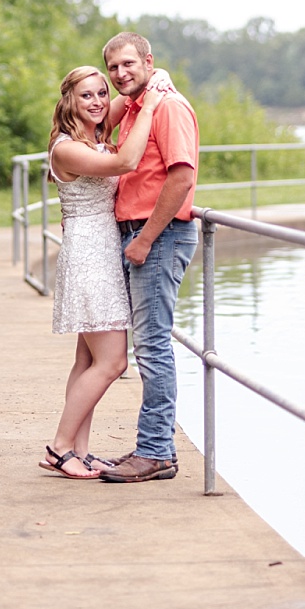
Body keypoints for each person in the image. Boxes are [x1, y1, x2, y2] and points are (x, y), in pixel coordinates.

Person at [39, 65, 171, 480]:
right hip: (90, 256)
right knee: (112, 362)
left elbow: (129, 93)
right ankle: (59, 448)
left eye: (101, 93)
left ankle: (79, 450)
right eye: (86, 96)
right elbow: (127, 160)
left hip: (101, 252)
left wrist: (155, 78)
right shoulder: (66, 149)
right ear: (69, 102)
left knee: (87, 360)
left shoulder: (91, 133)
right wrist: (151, 104)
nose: (97, 102)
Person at [96, 32, 200, 484]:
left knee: (154, 346)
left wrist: (144, 240)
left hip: (158, 236)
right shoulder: (139, 107)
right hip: (138, 233)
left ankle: (155, 451)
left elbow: (181, 179)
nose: (120, 74)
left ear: (148, 62)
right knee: (148, 345)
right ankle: (156, 447)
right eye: (113, 67)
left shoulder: (169, 107)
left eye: (128, 65)